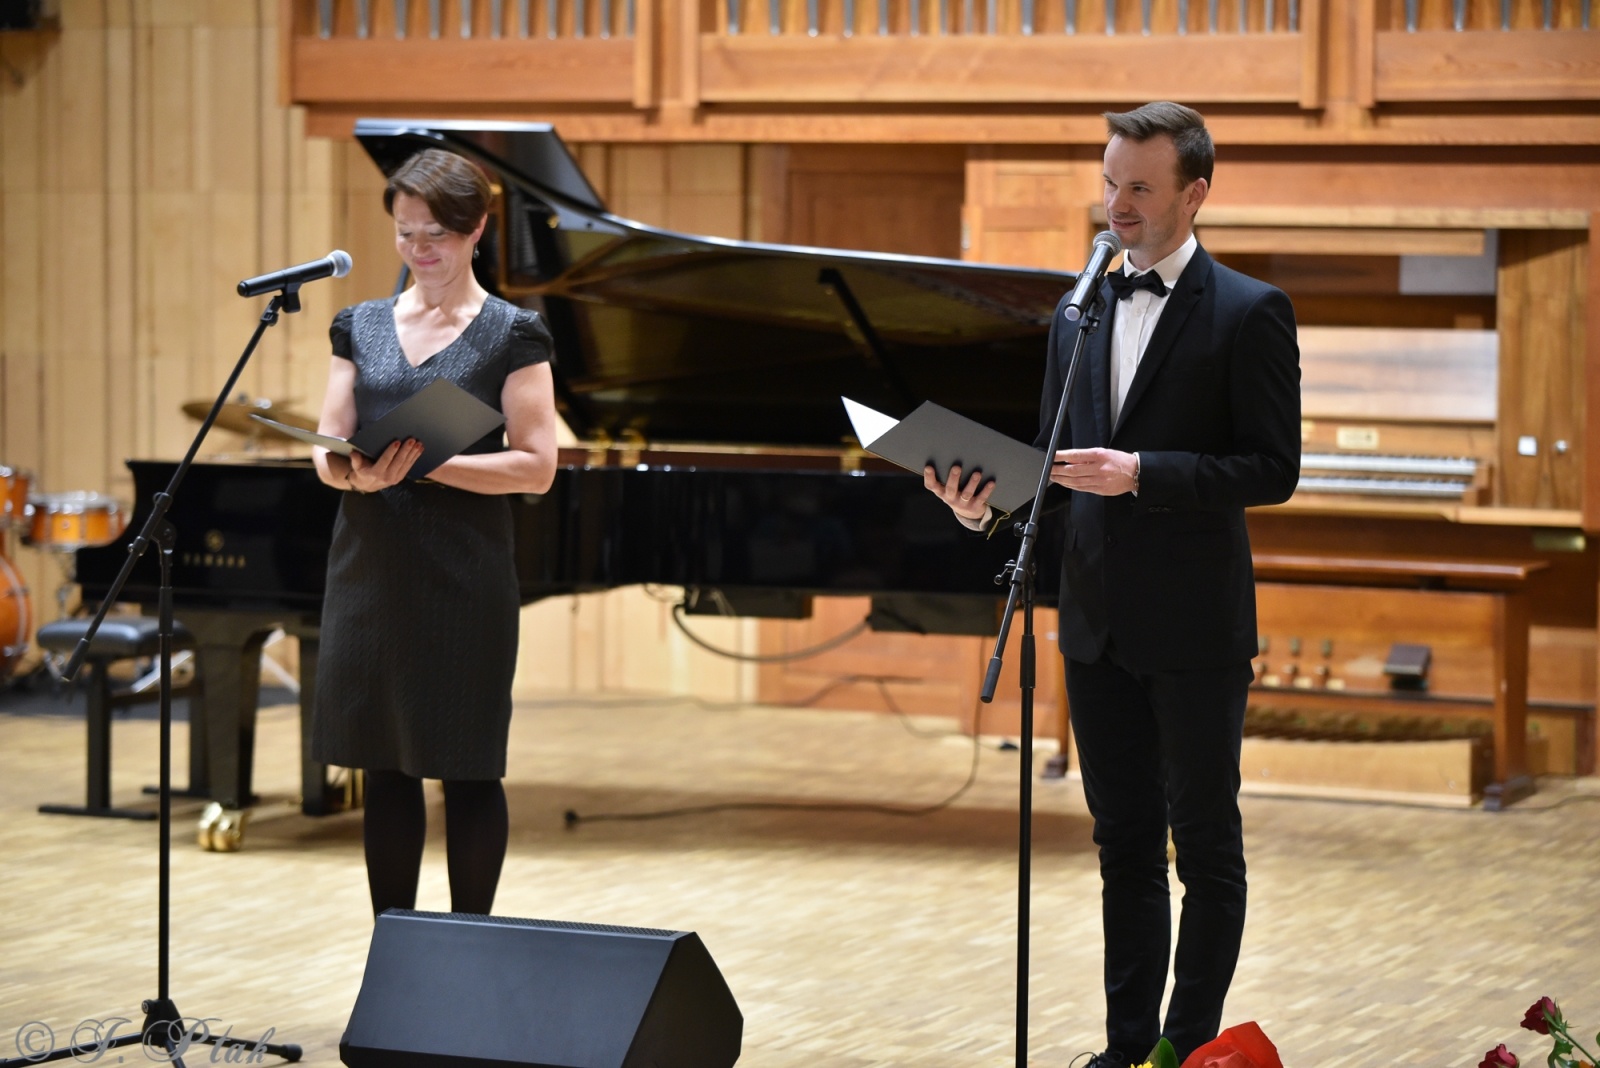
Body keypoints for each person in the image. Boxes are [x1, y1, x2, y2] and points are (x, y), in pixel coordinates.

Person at [925, 102, 1301, 1065]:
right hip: (1092, 625)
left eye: (1139, 187)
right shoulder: (1077, 309)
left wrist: (1146, 471)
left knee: (1205, 852)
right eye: (1109, 182)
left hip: (1194, 629)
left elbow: (1272, 469)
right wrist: (986, 508)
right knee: (1122, 848)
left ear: (1194, 193)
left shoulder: (1250, 311)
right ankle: (1125, 1049)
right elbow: (1055, 465)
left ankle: (1187, 1053)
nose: (1117, 204)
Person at [310, 147, 560, 918]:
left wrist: (426, 466)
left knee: (467, 766)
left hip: (464, 573)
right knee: (384, 766)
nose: (421, 251)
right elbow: (327, 445)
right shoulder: (359, 323)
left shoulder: (514, 333)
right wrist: (355, 473)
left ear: (476, 228)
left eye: (437, 235)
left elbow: (538, 467)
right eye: (406, 233)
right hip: (370, 566)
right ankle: (396, 949)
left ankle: (468, 953)